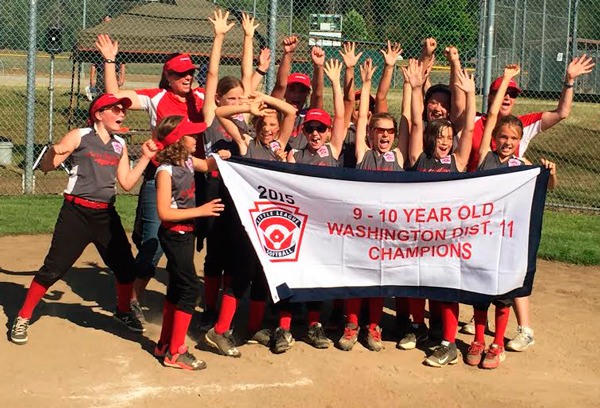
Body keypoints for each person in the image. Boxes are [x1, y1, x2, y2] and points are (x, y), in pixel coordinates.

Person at [94, 11, 227, 320]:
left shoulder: (197, 97)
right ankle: (129, 303)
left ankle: (163, 297)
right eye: (181, 74)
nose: (188, 77)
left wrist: (218, 38)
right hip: (160, 175)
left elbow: (213, 78)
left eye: (190, 72)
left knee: (183, 237)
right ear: (168, 76)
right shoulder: (156, 97)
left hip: (190, 176)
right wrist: (110, 61)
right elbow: (114, 96)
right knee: (153, 243)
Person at [462, 54, 594, 350]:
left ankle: (522, 328)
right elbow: (484, 117)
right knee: (482, 270)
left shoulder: (523, 130)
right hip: (481, 205)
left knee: (514, 267)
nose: (507, 97)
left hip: (509, 210)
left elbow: (561, 112)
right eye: (502, 93)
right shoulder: (481, 127)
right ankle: (482, 324)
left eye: (512, 94)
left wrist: (569, 80)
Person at [10, 94, 157, 345]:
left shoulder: (119, 144)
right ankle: (23, 316)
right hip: (75, 214)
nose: (122, 113)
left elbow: (127, 182)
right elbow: (48, 166)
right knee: (53, 268)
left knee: (125, 267)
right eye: (115, 109)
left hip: (105, 215)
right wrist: (53, 153)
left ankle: (123, 311)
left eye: (123, 110)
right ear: (99, 114)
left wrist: (144, 157)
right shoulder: (80, 135)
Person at [465, 64, 558, 369]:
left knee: (503, 293)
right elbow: (490, 117)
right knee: (480, 292)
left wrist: (550, 174)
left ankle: (496, 344)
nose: (506, 142)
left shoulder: (522, 165)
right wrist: (504, 80)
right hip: (484, 237)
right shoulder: (485, 157)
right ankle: (478, 339)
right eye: (502, 136)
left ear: (519, 141)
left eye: (513, 138)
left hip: (507, 240)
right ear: (495, 138)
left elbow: (547, 187)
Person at [204, 92, 296, 357]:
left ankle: (254, 327)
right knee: (242, 274)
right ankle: (219, 331)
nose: (267, 129)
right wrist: (250, 108)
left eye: (271, 125)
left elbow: (289, 111)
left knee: (261, 278)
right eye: (263, 124)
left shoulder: (278, 147)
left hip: (271, 223)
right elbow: (220, 114)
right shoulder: (246, 143)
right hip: (246, 223)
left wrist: (267, 98)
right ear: (255, 125)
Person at [403, 57, 476, 367]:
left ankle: (449, 343)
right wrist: (416, 87)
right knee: (418, 281)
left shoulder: (456, 161)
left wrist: (471, 96)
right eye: (441, 136)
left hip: (447, 237)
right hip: (421, 234)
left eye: (449, 137)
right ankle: (419, 329)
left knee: (446, 289)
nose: (446, 141)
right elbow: (416, 121)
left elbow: (469, 128)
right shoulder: (420, 158)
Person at [336, 59, 405, 353]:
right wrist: (365, 84)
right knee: (356, 275)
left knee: (380, 279)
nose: (385, 135)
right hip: (361, 227)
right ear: (370, 134)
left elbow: (412, 123)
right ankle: (351, 325)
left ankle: (373, 325)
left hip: (388, 230)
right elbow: (362, 117)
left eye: (390, 131)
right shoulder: (363, 152)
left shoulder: (400, 156)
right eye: (380, 131)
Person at [277, 59, 346, 351]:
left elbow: (342, 117)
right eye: (310, 129)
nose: (316, 134)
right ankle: (283, 327)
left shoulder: (332, 148)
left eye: (321, 129)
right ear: (303, 130)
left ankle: (315, 324)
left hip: (324, 225)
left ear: (328, 132)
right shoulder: (295, 153)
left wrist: (333, 81)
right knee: (290, 272)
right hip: (300, 226)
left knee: (318, 274)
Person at [152, 115, 227, 370]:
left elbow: (206, 166)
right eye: (191, 135)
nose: (196, 138)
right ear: (177, 140)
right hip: (175, 235)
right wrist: (201, 210)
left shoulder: (185, 160)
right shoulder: (165, 171)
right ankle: (176, 351)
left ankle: (164, 344)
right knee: (189, 290)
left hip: (185, 233)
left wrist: (220, 158)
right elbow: (164, 213)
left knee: (176, 288)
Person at [87, 16, 126, 102]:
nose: (108, 24)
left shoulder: (116, 37)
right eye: (106, 22)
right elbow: (94, 64)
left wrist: (122, 77)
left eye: (110, 22)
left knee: (113, 96)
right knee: (100, 97)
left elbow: (122, 63)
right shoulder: (100, 37)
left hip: (114, 72)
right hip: (101, 72)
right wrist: (92, 78)